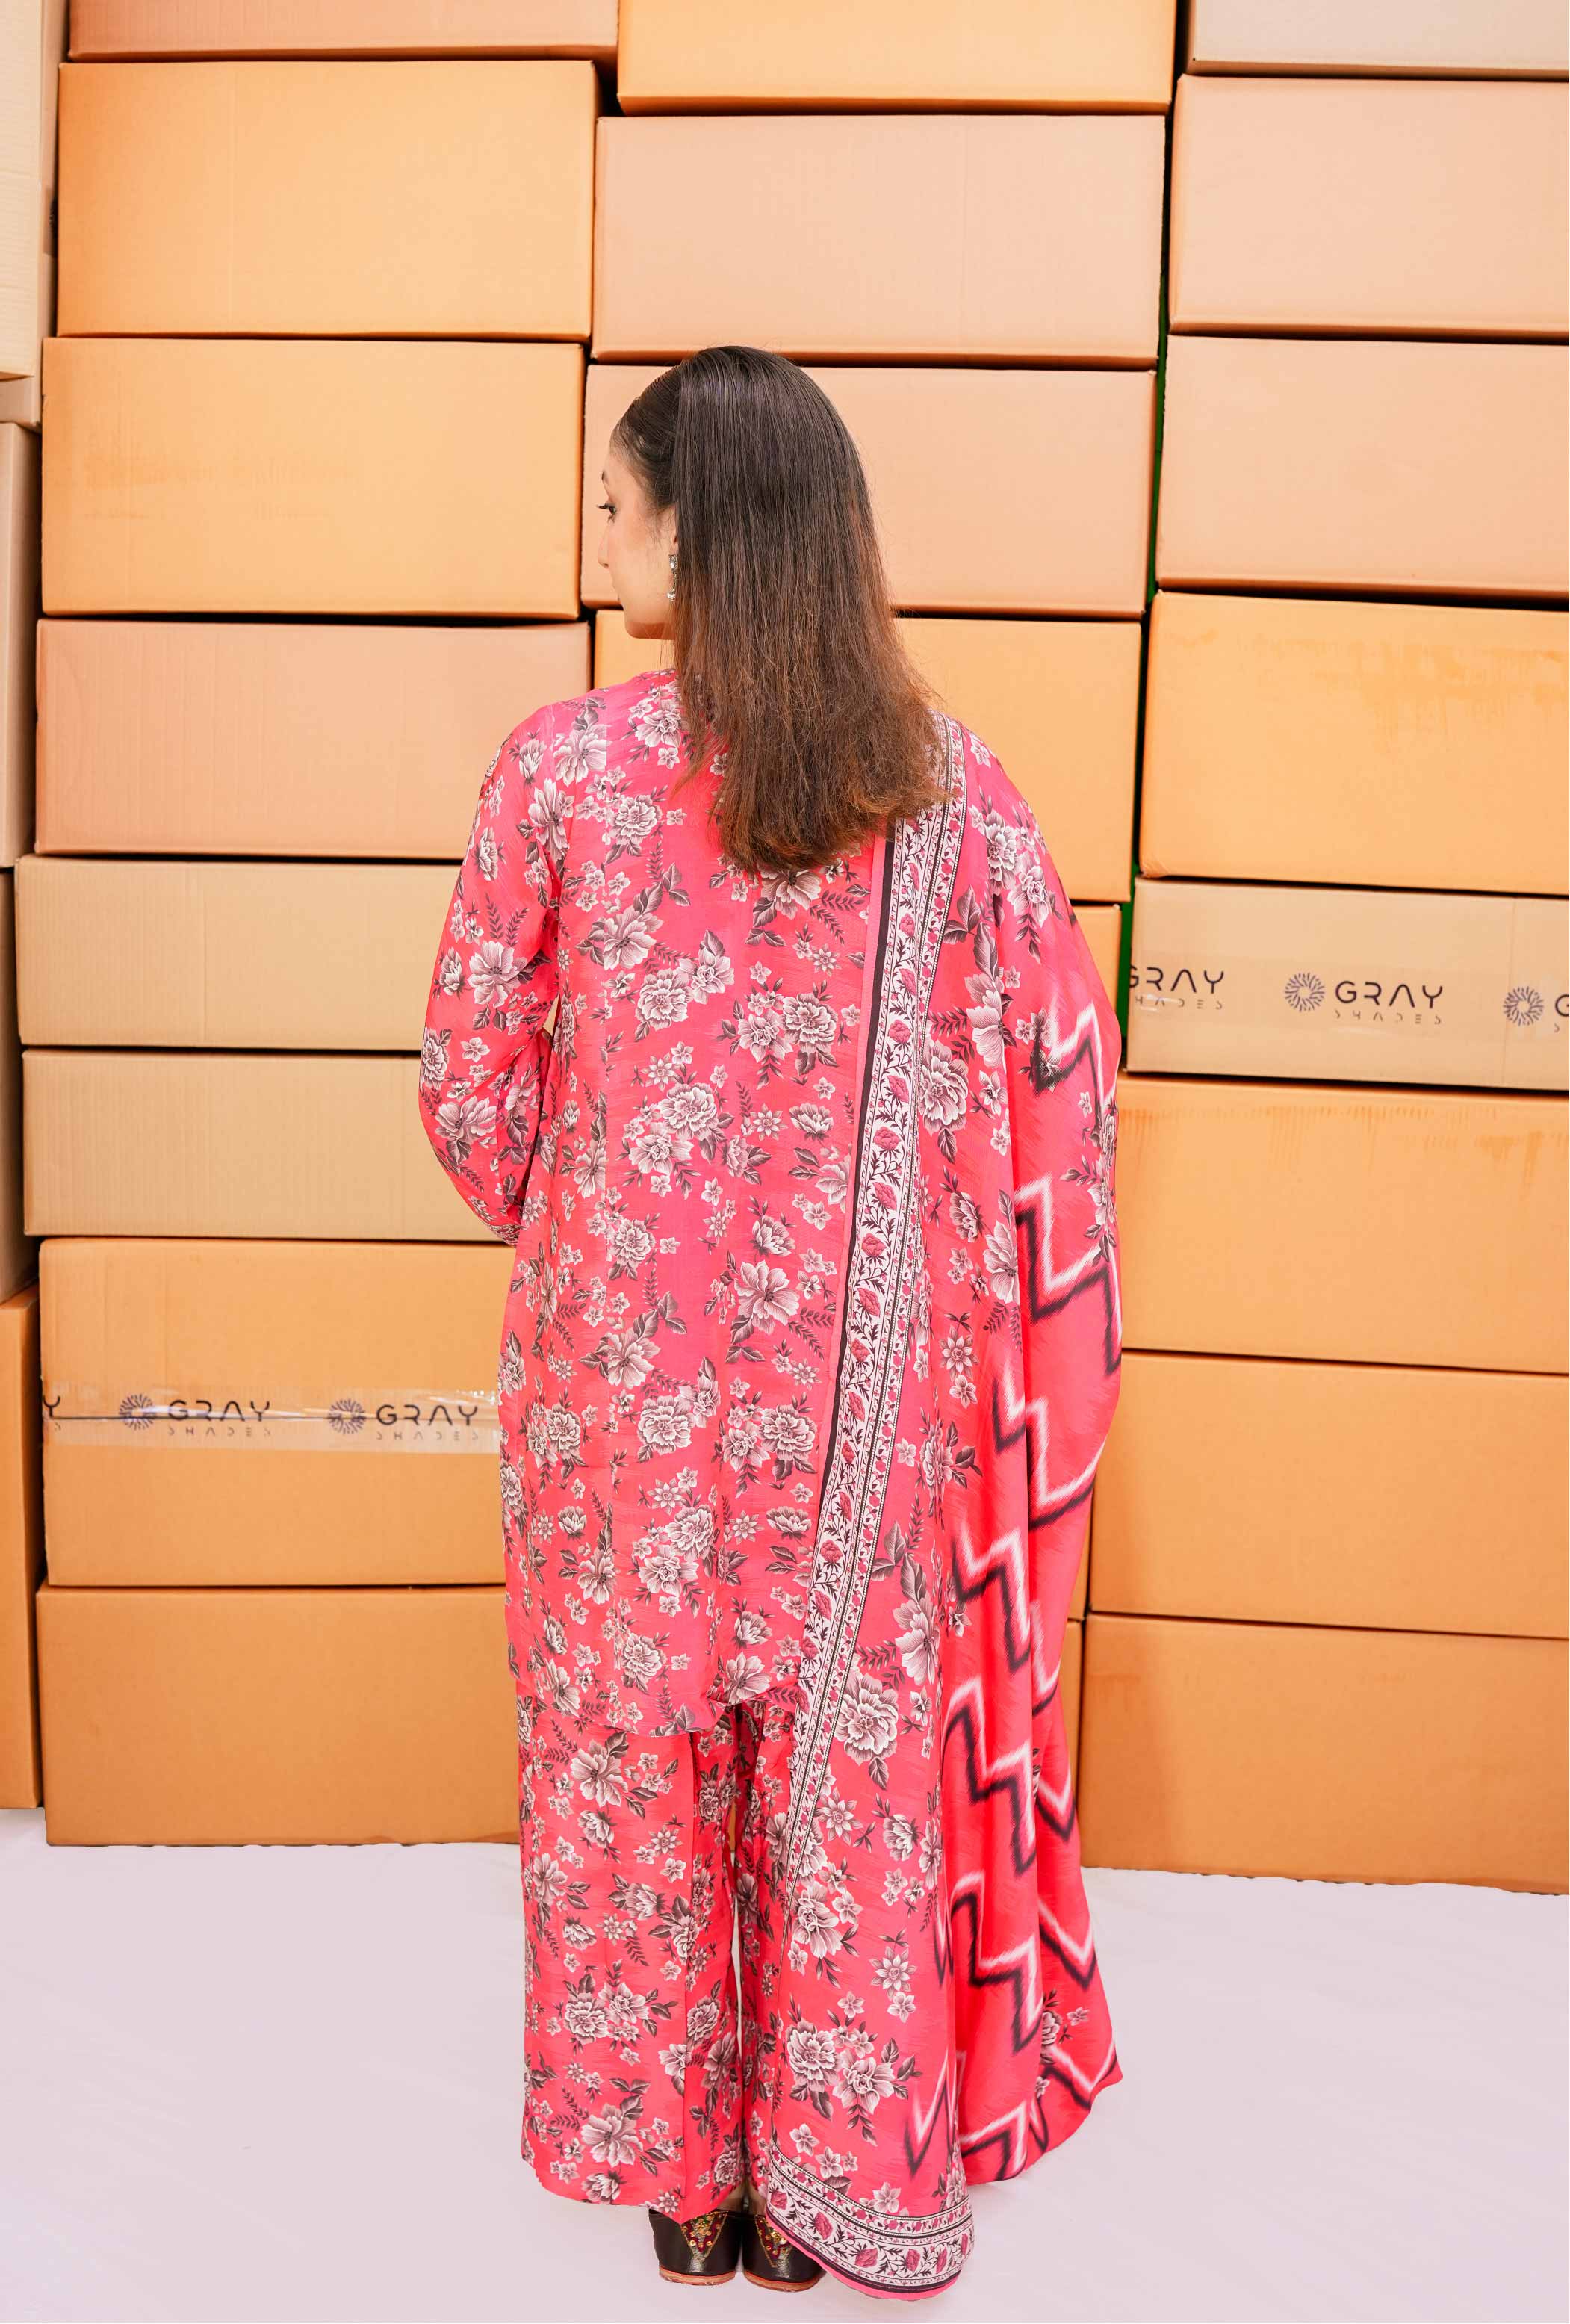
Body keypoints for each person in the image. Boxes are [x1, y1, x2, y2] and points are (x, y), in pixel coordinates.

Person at [417, 345, 1125, 2301]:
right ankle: (828, 2186)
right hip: (867, 1418)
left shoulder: (556, 774)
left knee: (641, 1774)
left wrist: (599, 1224)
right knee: (845, 1765)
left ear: (694, 528)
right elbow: (1059, 1076)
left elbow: (471, 1108)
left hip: (614, 1419)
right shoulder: (949, 792)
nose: (597, 539)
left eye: (615, 505)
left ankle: (690, 2181)